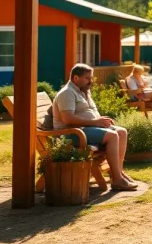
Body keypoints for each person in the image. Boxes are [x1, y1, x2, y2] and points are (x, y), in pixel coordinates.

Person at [52, 63, 137, 191]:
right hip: (71, 134)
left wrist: (102, 120)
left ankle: (117, 173)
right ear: (75, 78)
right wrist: (96, 122)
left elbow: (87, 112)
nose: (90, 81)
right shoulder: (67, 93)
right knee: (112, 136)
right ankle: (118, 179)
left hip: (86, 129)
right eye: (87, 78)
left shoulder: (84, 90)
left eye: (91, 78)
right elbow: (68, 119)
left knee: (121, 132)